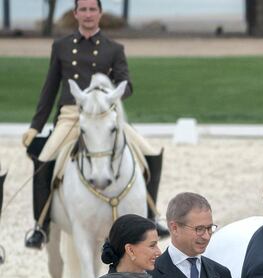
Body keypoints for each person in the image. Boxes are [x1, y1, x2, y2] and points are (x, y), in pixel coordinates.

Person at [21, 0, 167, 250]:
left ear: (100, 13)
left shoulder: (114, 48)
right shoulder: (61, 46)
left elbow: (127, 84)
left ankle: (152, 216)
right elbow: (50, 88)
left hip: (104, 114)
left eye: (92, 9)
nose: (88, 14)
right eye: (83, 9)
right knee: (44, 159)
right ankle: (41, 226)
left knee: (149, 153)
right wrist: (36, 126)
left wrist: (108, 93)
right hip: (71, 115)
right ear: (75, 13)